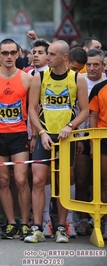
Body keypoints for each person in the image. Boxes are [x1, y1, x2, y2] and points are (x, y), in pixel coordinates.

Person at [25, 40, 88, 244]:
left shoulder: (77, 79)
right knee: (37, 180)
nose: (47, 57)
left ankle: (62, 225)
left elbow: (84, 111)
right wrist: (41, 133)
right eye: (48, 53)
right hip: (46, 135)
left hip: (66, 137)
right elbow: (32, 110)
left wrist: (70, 127)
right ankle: (37, 226)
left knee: (63, 181)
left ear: (65, 57)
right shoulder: (39, 77)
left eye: (52, 54)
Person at [0, 39, 32, 240]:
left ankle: (26, 222)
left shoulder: (28, 79)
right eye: (5, 53)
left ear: (18, 54)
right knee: (2, 180)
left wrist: (34, 134)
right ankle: (11, 223)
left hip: (19, 134)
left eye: (12, 53)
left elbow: (33, 109)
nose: (9, 57)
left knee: (20, 179)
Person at [75, 49, 106, 236]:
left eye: (97, 64)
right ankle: (83, 219)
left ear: (103, 66)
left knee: (103, 182)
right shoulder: (79, 79)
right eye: (89, 65)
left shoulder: (103, 84)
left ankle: (100, 220)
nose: (92, 68)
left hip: (100, 138)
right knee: (81, 179)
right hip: (81, 137)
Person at [88, 77, 107, 240]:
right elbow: (93, 117)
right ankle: (105, 224)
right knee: (104, 182)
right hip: (103, 139)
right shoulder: (99, 88)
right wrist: (93, 145)